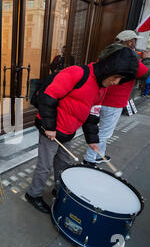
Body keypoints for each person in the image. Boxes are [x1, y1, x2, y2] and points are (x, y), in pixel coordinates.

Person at [25, 46, 139, 213]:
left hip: (68, 132)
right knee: (45, 165)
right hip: (52, 131)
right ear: (108, 68)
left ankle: (60, 188)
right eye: (115, 77)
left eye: (120, 79)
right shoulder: (77, 73)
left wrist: (92, 140)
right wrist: (49, 127)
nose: (116, 82)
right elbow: (48, 96)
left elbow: (91, 115)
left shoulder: (102, 87)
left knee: (64, 163)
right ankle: (33, 194)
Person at [82, 30, 150, 166]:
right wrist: (148, 59)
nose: (135, 44)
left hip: (99, 97)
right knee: (104, 132)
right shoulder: (128, 56)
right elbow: (145, 74)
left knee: (98, 128)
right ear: (130, 41)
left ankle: (99, 155)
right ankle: (90, 159)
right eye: (135, 41)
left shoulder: (106, 53)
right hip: (114, 101)